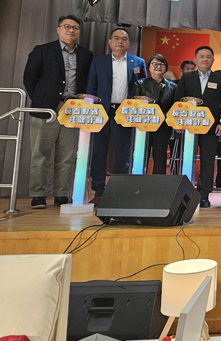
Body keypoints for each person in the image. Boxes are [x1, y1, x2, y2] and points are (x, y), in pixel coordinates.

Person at [22, 15, 94, 209]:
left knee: (67, 155)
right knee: (40, 153)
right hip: (46, 109)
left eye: (75, 28)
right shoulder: (42, 50)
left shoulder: (86, 55)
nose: (71, 30)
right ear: (58, 29)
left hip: (73, 110)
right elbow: (29, 78)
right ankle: (38, 195)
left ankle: (61, 194)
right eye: (67, 26)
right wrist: (41, 100)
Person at [86, 28, 146, 205]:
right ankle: (98, 191)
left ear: (128, 43)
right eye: (117, 38)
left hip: (125, 113)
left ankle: (120, 192)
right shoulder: (99, 61)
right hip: (102, 112)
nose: (120, 41)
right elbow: (91, 87)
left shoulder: (138, 62)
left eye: (124, 39)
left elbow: (142, 89)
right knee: (99, 152)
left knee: (123, 153)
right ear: (110, 42)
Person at [175, 46, 221, 207]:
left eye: (208, 56)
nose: (205, 59)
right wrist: (178, 122)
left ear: (213, 60)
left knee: (207, 162)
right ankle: (184, 195)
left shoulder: (219, 79)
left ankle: (203, 195)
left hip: (211, 127)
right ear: (196, 59)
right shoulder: (187, 77)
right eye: (201, 56)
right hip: (189, 127)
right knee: (187, 160)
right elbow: (178, 101)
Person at [132, 54, 177, 175]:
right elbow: (135, 105)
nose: (158, 67)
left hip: (163, 127)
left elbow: (174, 107)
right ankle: (138, 183)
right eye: (155, 64)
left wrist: (162, 117)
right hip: (143, 127)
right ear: (149, 67)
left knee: (160, 158)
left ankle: (158, 185)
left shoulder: (173, 87)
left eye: (162, 64)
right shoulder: (140, 84)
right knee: (141, 157)